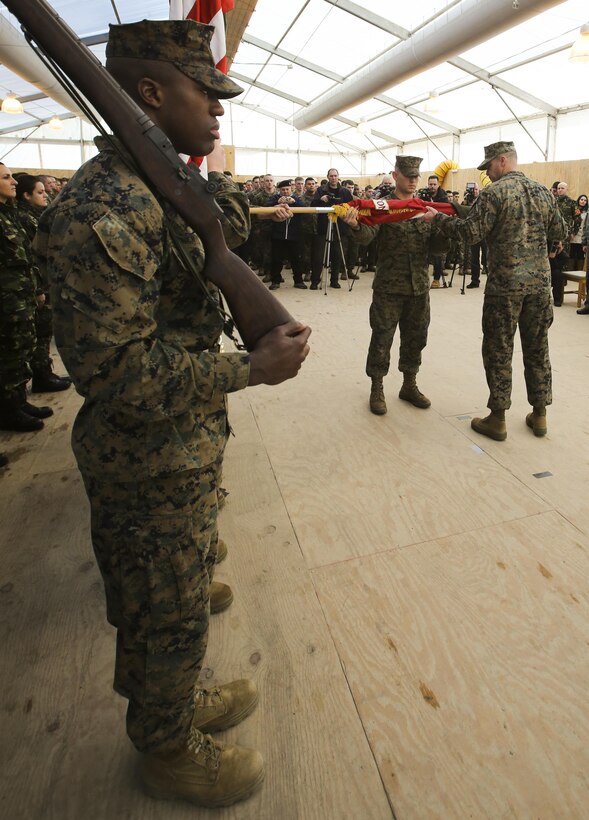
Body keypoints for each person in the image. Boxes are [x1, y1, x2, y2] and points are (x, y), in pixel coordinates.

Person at [34, 19, 311, 809]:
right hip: (142, 454)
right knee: (159, 611)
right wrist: (248, 369)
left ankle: (178, 701)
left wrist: (198, 200)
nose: (219, 111)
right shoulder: (102, 212)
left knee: (180, 599)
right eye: (206, 94)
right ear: (149, 96)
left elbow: (220, 241)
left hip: (181, 443)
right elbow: (115, 374)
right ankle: (165, 749)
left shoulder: (162, 190)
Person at [426, 141, 565, 440]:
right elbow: (560, 232)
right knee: (538, 347)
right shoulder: (543, 192)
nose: (487, 172)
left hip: (505, 287)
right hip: (540, 287)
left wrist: (437, 219)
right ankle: (540, 415)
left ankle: (498, 418)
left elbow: (470, 234)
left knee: (499, 349)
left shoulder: (494, 193)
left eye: (489, 166)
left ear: (503, 161)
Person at [342, 155, 447, 415]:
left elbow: (437, 246)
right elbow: (367, 238)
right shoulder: (383, 206)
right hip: (389, 286)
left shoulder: (423, 207)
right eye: (408, 175)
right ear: (396, 174)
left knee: (416, 338)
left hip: (419, 287)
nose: (413, 180)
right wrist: (355, 225)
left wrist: (442, 228)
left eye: (416, 176)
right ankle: (376, 387)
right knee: (382, 337)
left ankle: (409, 384)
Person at [0, 165, 55, 432]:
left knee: (20, 347)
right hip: (7, 299)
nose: (13, 182)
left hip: (20, 295)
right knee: (9, 353)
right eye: (5, 177)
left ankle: (17, 402)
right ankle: (9, 410)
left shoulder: (8, 216)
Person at [15, 173, 71, 392]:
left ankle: (43, 374)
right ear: (26, 195)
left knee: (43, 331)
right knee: (36, 333)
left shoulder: (35, 216)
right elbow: (31, 255)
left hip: (39, 283)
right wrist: (38, 287)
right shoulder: (24, 219)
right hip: (29, 286)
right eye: (40, 192)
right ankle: (39, 377)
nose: (46, 195)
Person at [311, 168, 353, 289]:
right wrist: (321, 200)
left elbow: (351, 206)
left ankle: (334, 280)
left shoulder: (345, 192)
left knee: (337, 255)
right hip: (323, 227)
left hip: (340, 227)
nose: (333, 178)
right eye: (331, 176)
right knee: (319, 256)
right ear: (328, 177)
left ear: (338, 177)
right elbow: (313, 205)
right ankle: (315, 281)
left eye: (335, 176)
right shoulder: (321, 190)